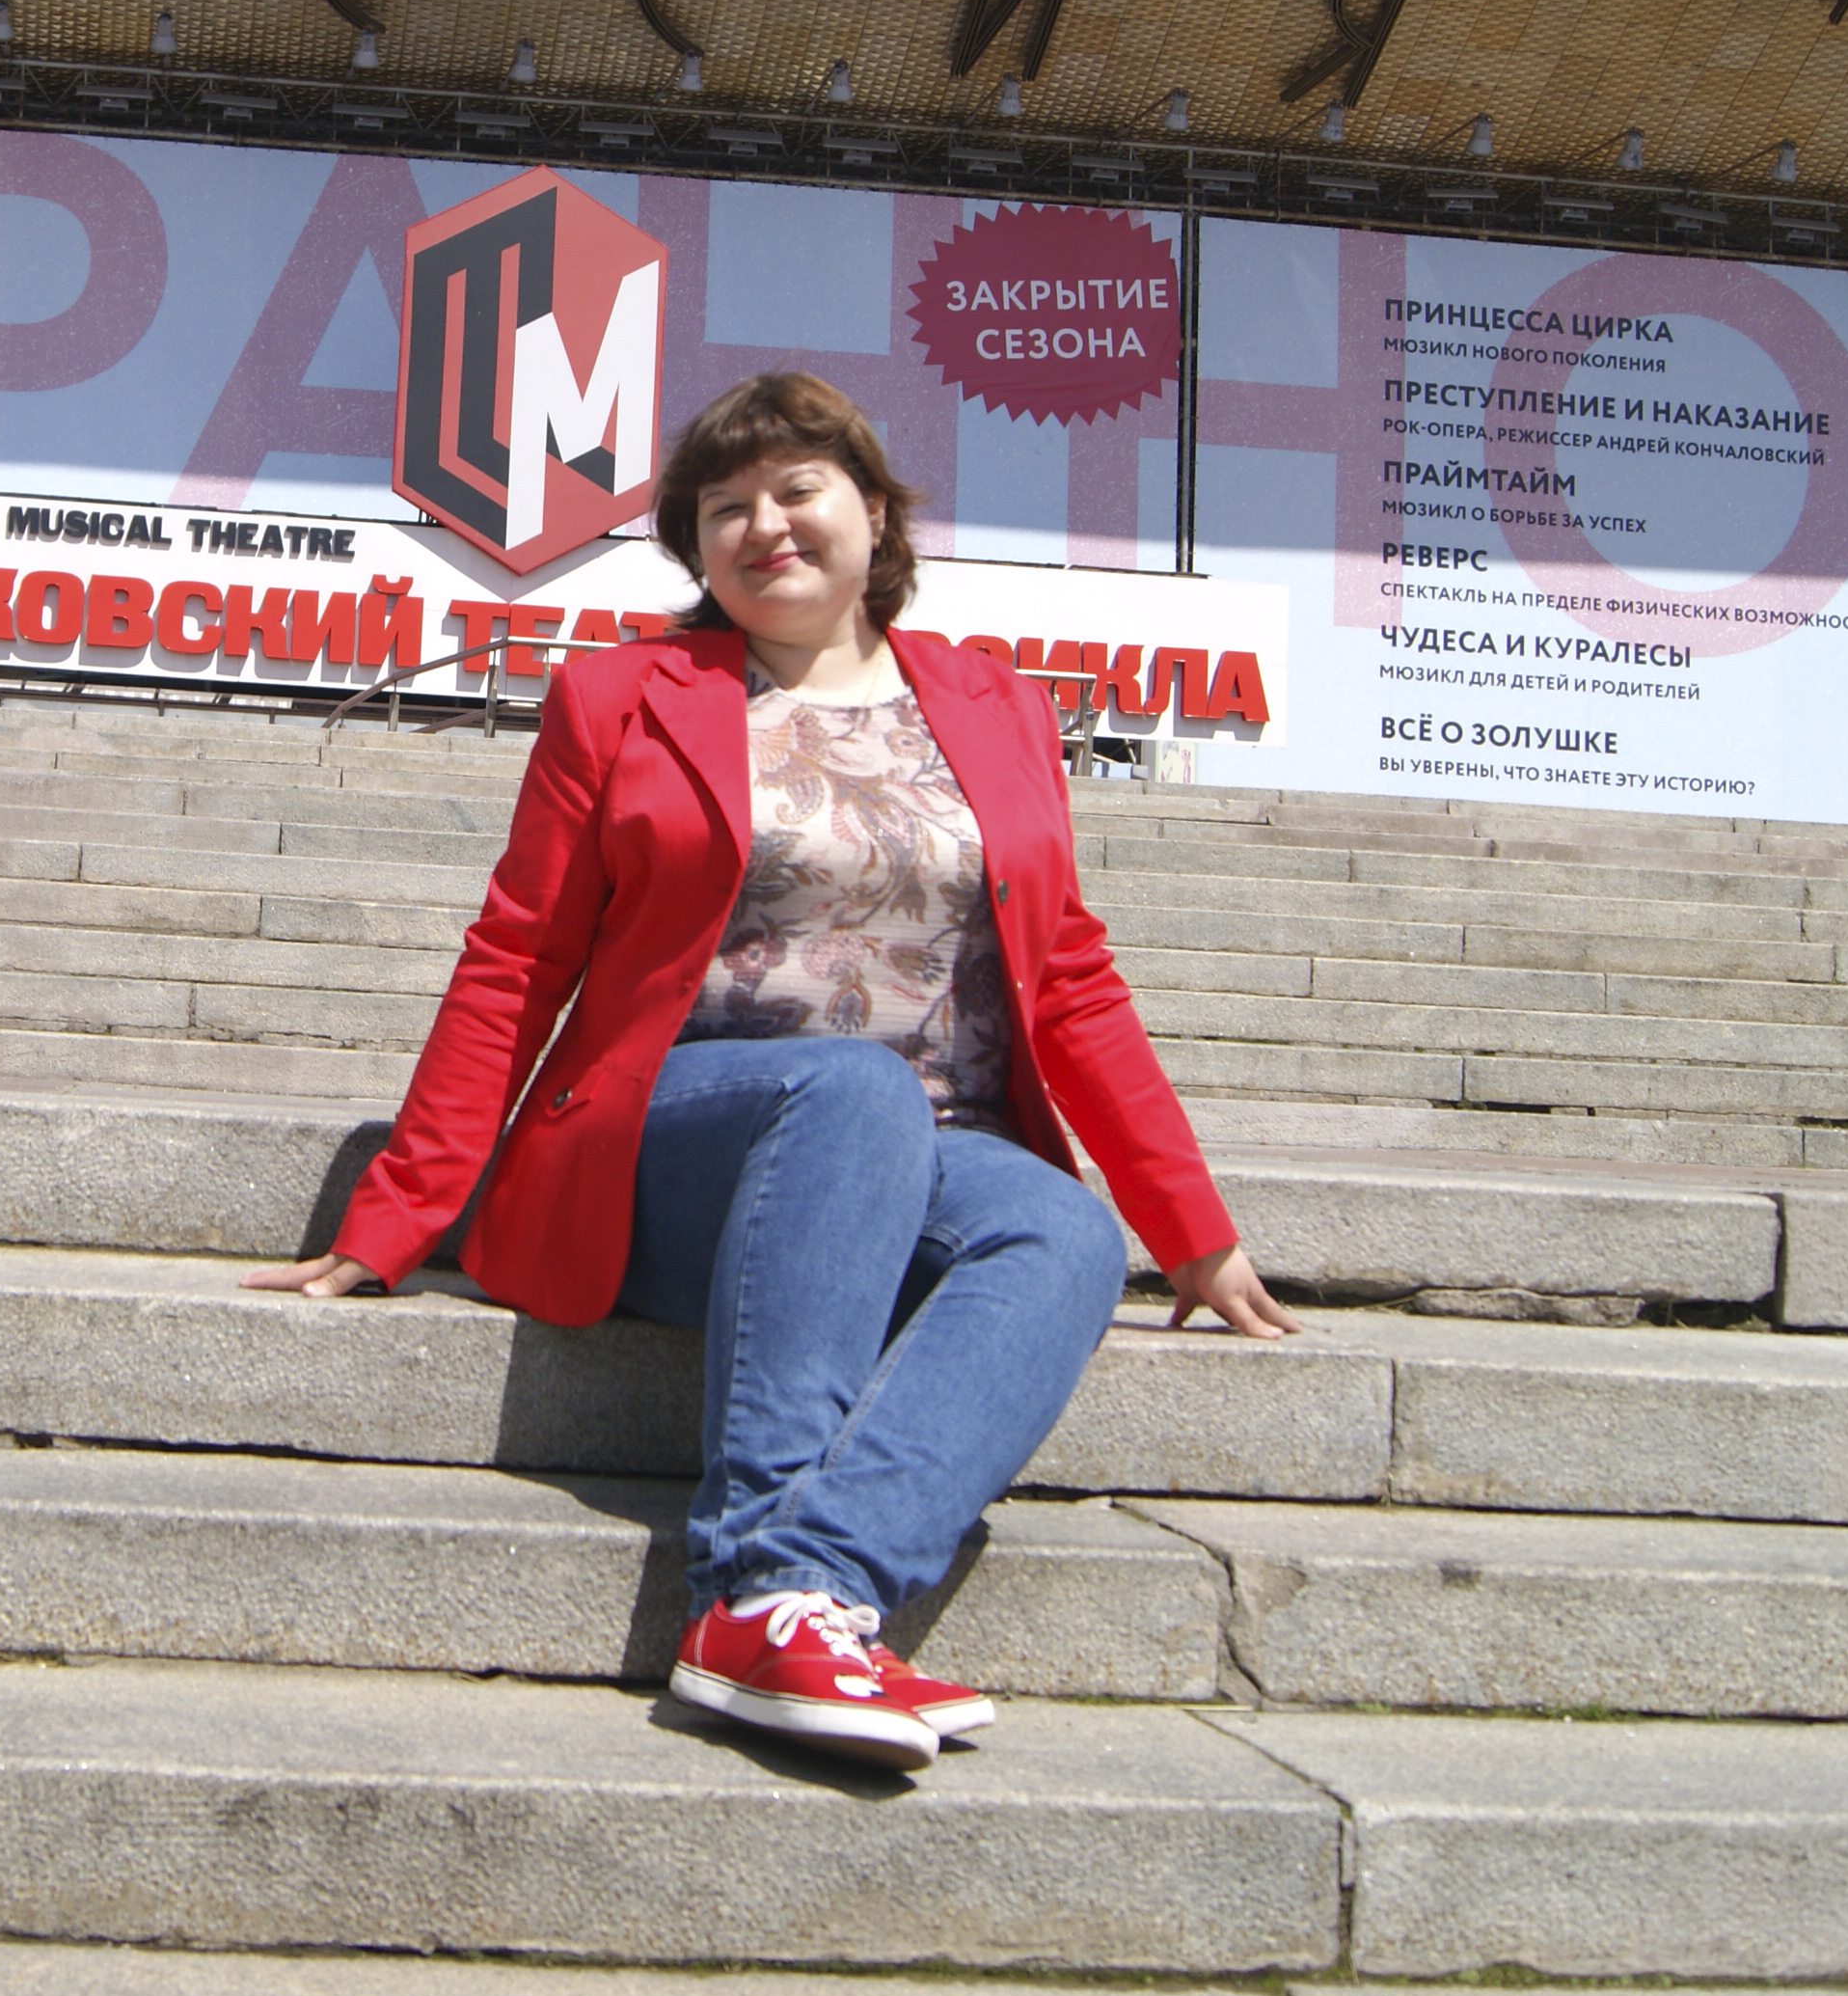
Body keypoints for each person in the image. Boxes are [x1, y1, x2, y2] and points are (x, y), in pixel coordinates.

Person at [247, 369, 1292, 1768]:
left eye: (798, 489)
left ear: (876, 514)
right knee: (846, 1087)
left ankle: (810, 1591)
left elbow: (1073, 971)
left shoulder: (993, 704)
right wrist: (395, 1211)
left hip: (930, 1146)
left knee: (1062, 1231)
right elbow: (518, 957)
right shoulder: (623, 698)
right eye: (724, 508)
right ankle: (748, 1573)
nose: (764, 525)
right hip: (680, 1142)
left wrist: (1193, 1230)